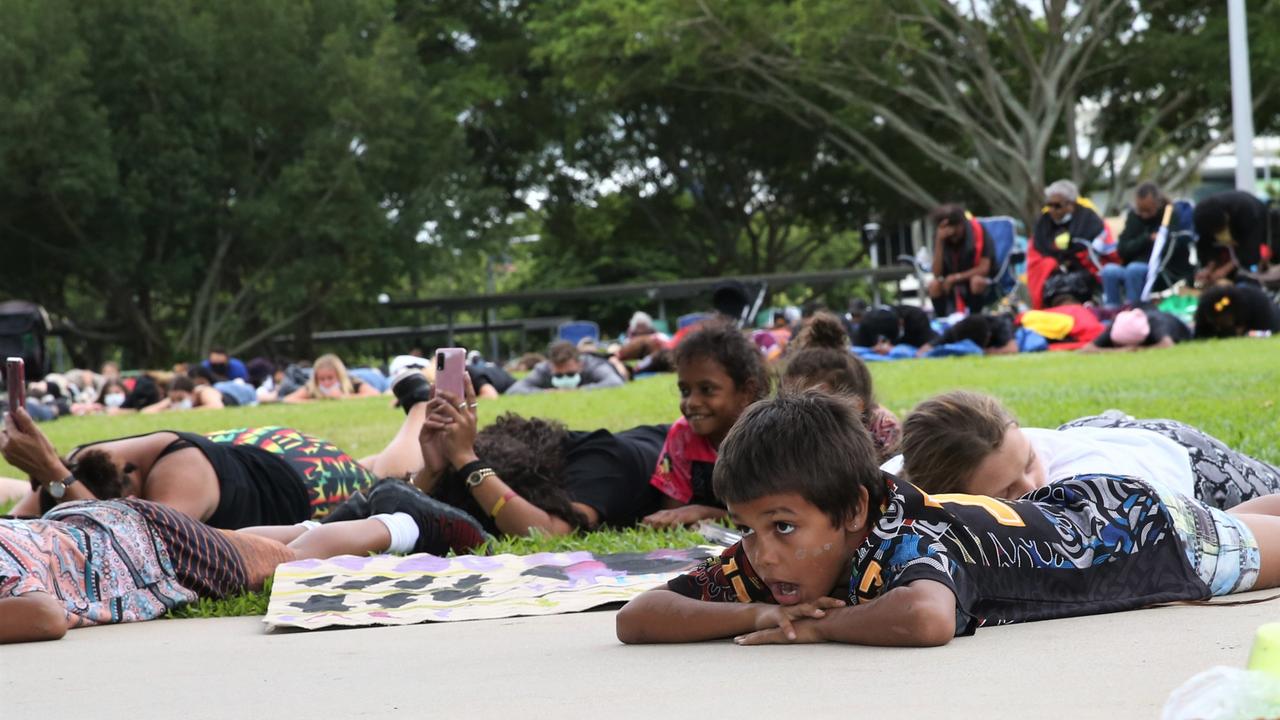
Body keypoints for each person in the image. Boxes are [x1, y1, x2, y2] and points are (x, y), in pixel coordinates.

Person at [615, 391, 1280, 646]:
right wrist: (761, 613)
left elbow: (928, 618)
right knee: (1252, 522)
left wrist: (824, 629)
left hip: (1129, 536)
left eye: (780, 528)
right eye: (748, 528)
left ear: (852, 512)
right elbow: (638, 616)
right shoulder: (787, 548)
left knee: (1253, 543)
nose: (760, 554)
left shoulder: (905, 536)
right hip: (1065, 514)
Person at [0, 488, 487, 643]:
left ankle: (400, 521)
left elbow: (43, 615)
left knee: (287, 562)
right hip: (115, 529)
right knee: (244, 547)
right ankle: (358, 516)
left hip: (145, 548)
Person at [0, 401, 411, 528]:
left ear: (137, 484)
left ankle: (419, 408)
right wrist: (51, 477)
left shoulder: (180, 480)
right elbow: (19, 524)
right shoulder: (91, 463)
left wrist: (55, 475)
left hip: (304, 473)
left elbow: (122, 542)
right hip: (238, 449)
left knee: (382, 476)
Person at [378, 376, 669, 537]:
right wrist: (432, 470)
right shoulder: (540, 467)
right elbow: (391, 511)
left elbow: (547, 534)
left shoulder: (603, 461)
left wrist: (467, 460)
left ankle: (417, 406)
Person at [896, 390, 1280, 510]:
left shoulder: (1092, 495)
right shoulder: (907, 471)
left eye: (1029, 461)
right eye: (1009, 492)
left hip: (1188, 460)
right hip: (1090, 435)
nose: (1035, 483)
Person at [641, 321, 769, 528]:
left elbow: (770, 518)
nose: (691, 402)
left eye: (707, 389)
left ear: (747, 392)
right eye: (685, 391)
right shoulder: (682, 434)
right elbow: (674, 513)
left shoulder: (768, 439)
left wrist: (704, 513)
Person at [781, 312, 901, 461]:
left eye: (808, 403)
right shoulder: (788, 430)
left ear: (855, 406)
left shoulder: (883, 429)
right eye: (787, 400)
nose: (793, 411)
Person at [1027, 179, 1115, 308]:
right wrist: (1053, 265)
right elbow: (1035, 257)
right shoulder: (1043, 224)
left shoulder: (1090, 221)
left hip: (1086, 273)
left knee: (1070, 287)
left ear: (1071, 205)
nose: (1051, 210)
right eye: (1049, 205)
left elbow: (1103, 253)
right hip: (1052, 276)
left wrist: (1072, 261)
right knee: (1053, 288)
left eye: (1057, 205)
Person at [1107, 182, 1191, 307]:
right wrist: (1146, 239)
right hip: (1132, 266)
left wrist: (1142, 244)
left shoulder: (1169, 215)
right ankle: (1111, 310)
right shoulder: (1134, 217)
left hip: (1158, 270)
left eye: (1148, 210)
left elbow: (1169, 248)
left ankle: (1134, 310)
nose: (1143, 214)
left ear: (1157, 204)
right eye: (1140, 210)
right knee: (1109, 271)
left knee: (1133, 269)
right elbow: (1122, 250)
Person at [926, 204, 996, 315]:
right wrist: (939, 241)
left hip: (974, 283)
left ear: (961, 224)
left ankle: (975, 318)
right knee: (934, 285)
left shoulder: (978, 232)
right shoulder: (940, 237)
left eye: (955, 232)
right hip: (949, 287)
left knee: (976, 281)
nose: (952, 237)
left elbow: (984, 269)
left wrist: (955, 278)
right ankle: (942, 320)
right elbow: (937, 274)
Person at [1193, 190, 1270, 286]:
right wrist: (1209, 268)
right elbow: (1208, 244)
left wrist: (1225, 270)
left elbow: (1249, 248)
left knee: (1250, 265)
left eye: (1220, 230)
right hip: (1230, 225)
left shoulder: (1247, 212)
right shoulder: (1202, 217)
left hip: (1254, 220)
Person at [505, 340, 626, 394]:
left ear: (580, 364)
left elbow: (615, 382)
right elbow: (514, 390)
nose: (565, 378)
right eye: (558, 375)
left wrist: (579, 391)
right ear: (550, 366)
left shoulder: (593, 364)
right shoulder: (543, 369)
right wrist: (546, 393)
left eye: (570, 374)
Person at [1079, 306, 1191, 352]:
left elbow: (1167, 345)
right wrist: (1119, 351)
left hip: (1184, 328)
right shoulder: (1118, 325)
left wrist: (1137, 349)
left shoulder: (1156, 324)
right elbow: (1086, 350)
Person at [282, 353, 380, 403]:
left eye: (330, 378)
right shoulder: (312, 387)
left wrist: (344, 397)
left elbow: (375, 394)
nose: (326, 383)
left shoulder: (352, 382)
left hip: (372, 376)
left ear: (339, 376)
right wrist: (317, 401)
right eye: (322, 379)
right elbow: (288, 399)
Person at [1193, 283, 1280, 338]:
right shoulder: (1205, 308)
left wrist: (1246, 334)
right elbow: (1199, 337)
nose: (1218, 327)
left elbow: (1270, 334)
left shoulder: (1257, 302)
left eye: (1221, 322)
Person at [851, 305, 940, 355]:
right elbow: (858, 349)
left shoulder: (916, 317)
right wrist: (874, 349)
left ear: (901, 322)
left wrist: (894, 349)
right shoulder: (868, 323)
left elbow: (930, 344)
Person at [937, 313, 1019, 354]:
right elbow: (929, 348)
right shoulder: (955, 330)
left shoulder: (1001, 324)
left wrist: (985, 352)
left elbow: (1012, 349)